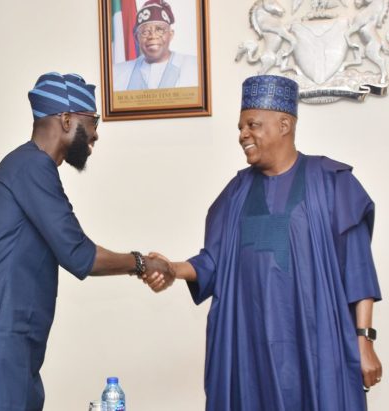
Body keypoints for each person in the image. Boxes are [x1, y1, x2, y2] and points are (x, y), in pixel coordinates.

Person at [144, 75, 382, 410]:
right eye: (241, 128)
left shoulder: (332, 183)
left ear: (284, 124)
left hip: (317, 342)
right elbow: (212, 262)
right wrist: (173, 269)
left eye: (252, 125)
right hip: (249, 346)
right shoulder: (235, 194)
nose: (243, 135)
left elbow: (358, 269)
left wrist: (364, 340)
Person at [0, 72, 173, 411]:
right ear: (65, 119)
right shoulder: (31, 166)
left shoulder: (35, 168)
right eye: (92, 121)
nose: (95, 134)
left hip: (13, 344)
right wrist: (141, 262)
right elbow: (79, 254)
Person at [113, 0, 199, 91]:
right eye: (145, 32)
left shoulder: (195, 66)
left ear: (171, 34)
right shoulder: (117, 73)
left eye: (159, 30)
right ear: (136, 37)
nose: (153, 36)